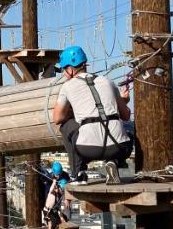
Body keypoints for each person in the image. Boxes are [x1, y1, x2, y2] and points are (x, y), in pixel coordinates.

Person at [51, 45, 132, 183]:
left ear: (70, 69)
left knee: (65, 125)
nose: (64, 73)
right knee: (127, 127)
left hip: (88, 149)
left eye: (64, 69)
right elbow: (126, 115)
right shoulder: (108, 81)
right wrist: (122, 102)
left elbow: (57, 118)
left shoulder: (67, 86)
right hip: (119, 148)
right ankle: (115, 161)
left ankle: (79, 173)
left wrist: (73, 114)